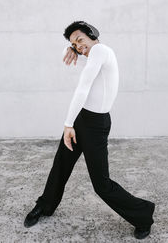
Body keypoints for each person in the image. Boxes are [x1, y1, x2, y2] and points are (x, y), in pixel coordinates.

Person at [24, 21, 155, 239]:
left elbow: (83, 88)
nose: (78, 47)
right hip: (81, 118)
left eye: (80, 40)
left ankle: (143, 214)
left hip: (95, 125)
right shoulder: (92, 54)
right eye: (74, 44)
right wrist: (67, 48)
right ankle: (44, 205)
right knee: (61, 165)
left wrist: (67, 124)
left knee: (101, 184)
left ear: (92, 34)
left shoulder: (100, 51)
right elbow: (67, 58)